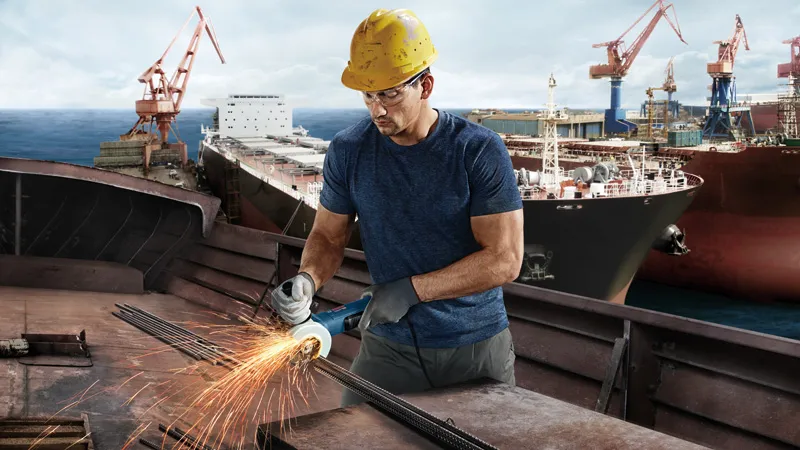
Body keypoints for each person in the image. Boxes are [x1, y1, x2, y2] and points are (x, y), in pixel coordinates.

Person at [271, 8, 524, 407]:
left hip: (474, 348)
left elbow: (505, 260)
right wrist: (308, 278)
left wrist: (411, 291)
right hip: (387, 345)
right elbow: (328, 235)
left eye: (390, 93)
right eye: (368, 95)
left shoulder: (477, 150)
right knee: (349, 432)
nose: (377, 109)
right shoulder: (348, 150)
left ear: (426, 85)